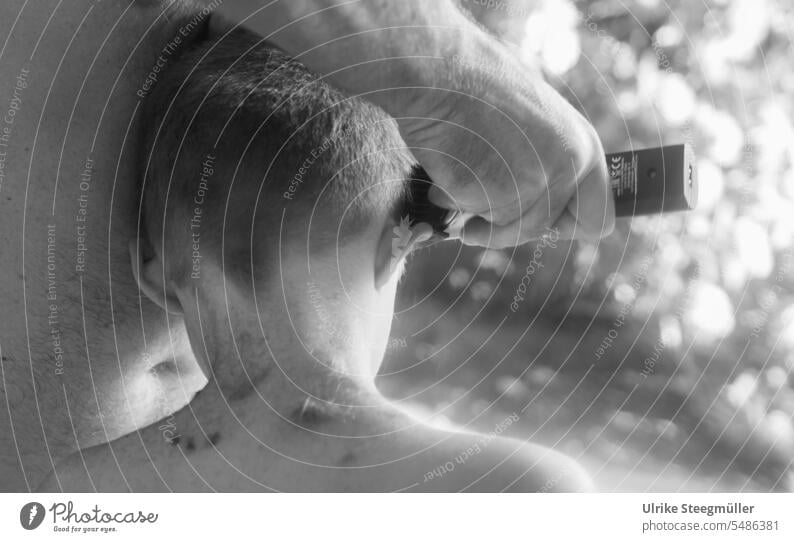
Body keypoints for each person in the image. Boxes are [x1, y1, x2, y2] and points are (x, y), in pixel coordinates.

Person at [1, 0, 611, 491]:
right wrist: (454, 80)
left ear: (157, 274)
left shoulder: (81, 492)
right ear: (400, 244)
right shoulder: (521, 491)